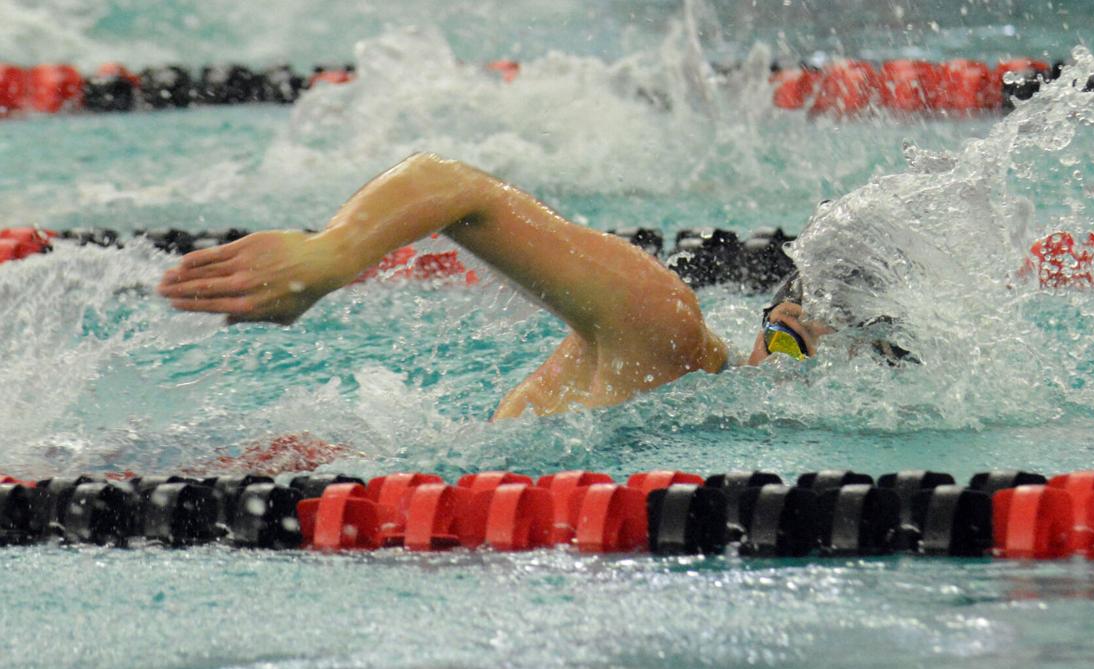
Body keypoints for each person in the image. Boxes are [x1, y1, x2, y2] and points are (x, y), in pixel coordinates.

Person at [157, 153, 832, 419]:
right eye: (787, 344)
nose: (783, 377)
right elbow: (453, 186)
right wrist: (328, 257)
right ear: (765, 321)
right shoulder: (661, 328)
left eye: (807, 365)